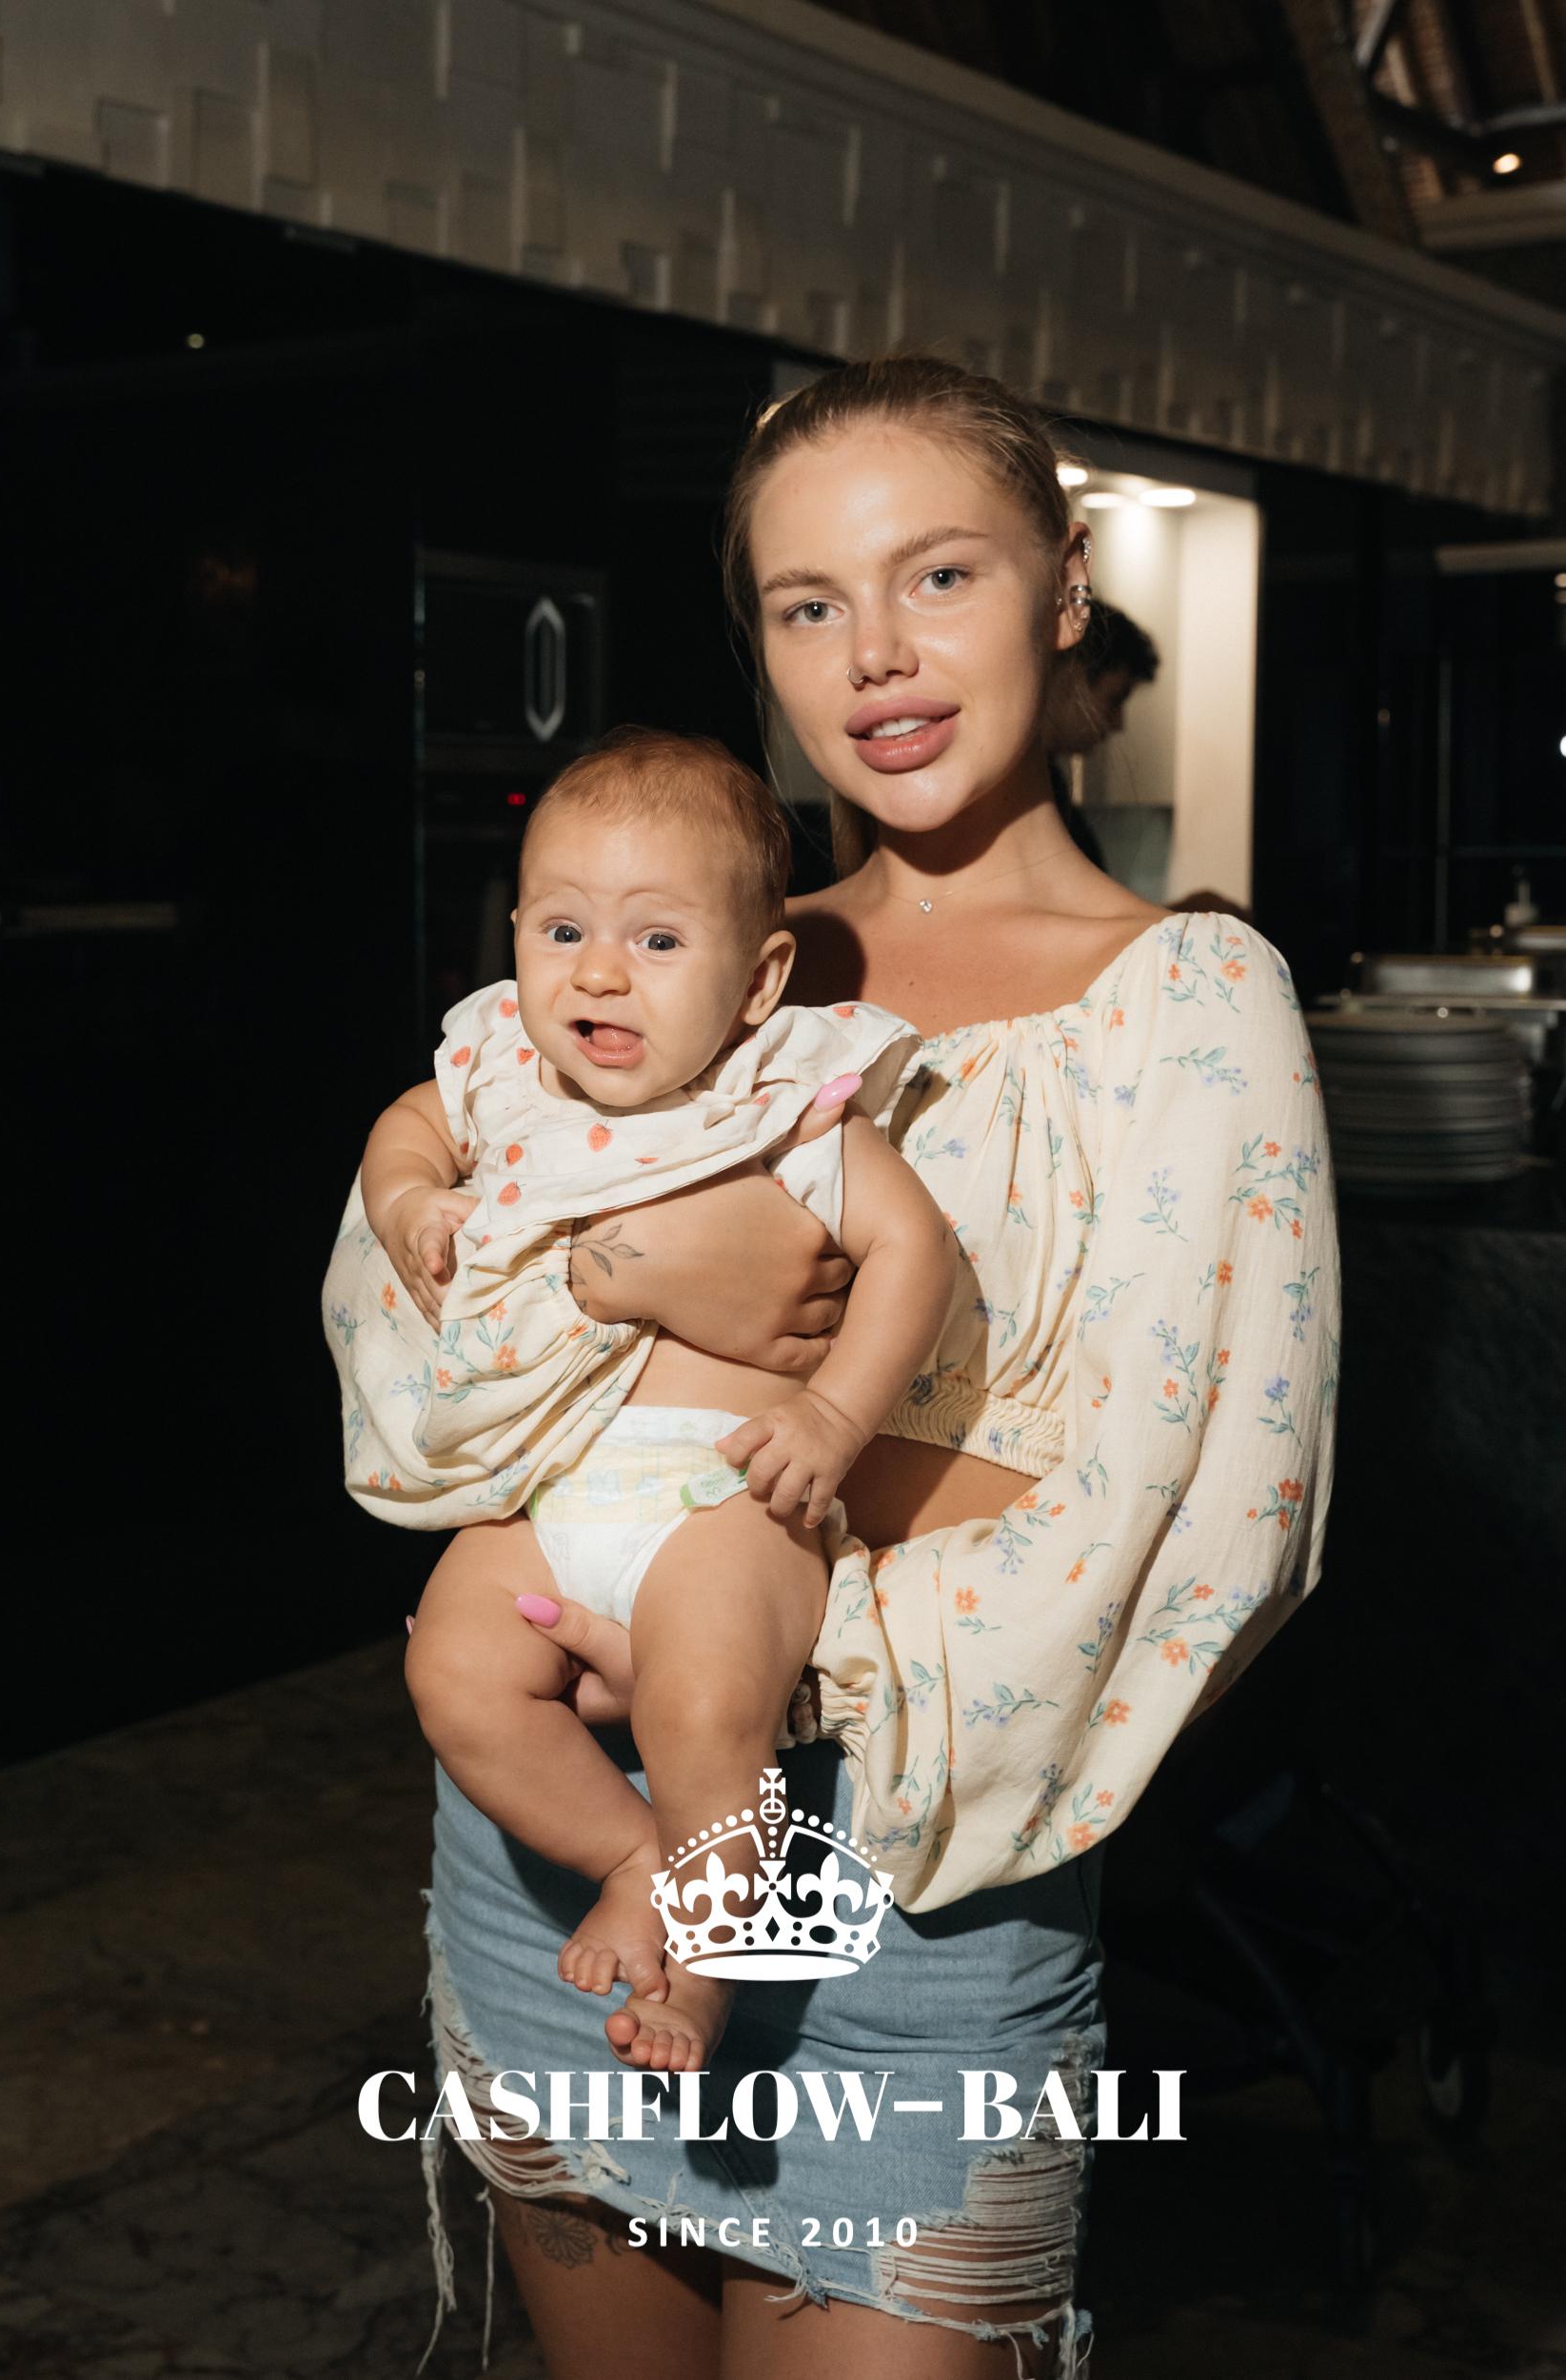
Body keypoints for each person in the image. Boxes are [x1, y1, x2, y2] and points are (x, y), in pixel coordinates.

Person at [407, 356, 1340, 2380]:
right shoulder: (678, 941)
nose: (878, 657)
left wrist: (718, 1585)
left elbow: (1198, 1525)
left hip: (917, 1898)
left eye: (939, 575)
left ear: (1062, 585)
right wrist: (629, 1277)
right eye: (807, 602)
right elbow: (413, 1360)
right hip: (556, 1868)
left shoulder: (1189, 1001)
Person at [326, 727, 955, 2073]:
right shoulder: (499, 1070)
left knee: (704, 1703)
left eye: (657, 940)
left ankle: (714, 1963)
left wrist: (834, 1416)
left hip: (722, 1496)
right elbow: (405, 1128)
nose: (598, 972)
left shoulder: (781, 1102)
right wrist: (410, 1197)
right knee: (453, 1671)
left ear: (757, 977)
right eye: (561, 930)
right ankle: (633, 1857)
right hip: (550, 1490)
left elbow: (915, 1251)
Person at [1043, 600, 1160, 871]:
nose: (1118, 724)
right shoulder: (1025, 796)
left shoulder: (1048, 787)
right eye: (1115, 699)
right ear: (1070, 676)